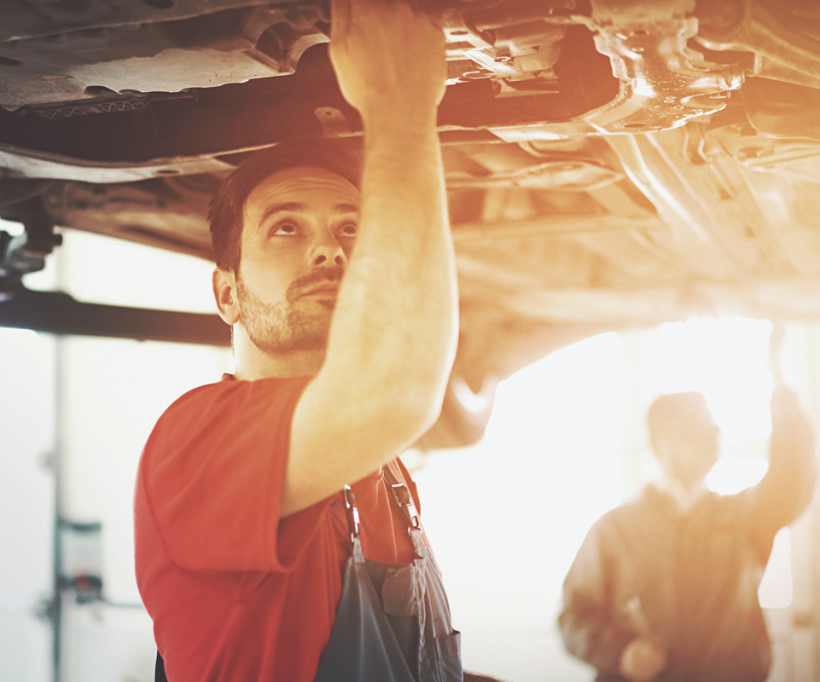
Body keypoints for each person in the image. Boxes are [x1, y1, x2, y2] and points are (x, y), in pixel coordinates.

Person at [132, 1, 495, 680]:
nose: (328, 251)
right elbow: (390, 389)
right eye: (286, 229)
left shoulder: (382, 471)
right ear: (226, 294)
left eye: (351, 230)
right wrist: (400, 104)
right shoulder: (196, 445)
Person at [558, 388, 816, 682]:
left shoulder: (744, 517)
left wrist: (783, 401)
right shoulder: (614, 530)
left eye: (714, 424)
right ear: (663, 442)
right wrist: (619, 653)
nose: (715, 432)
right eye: (700, 424)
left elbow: (791, 481)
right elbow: (574, 614)